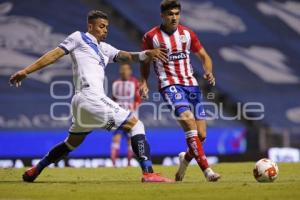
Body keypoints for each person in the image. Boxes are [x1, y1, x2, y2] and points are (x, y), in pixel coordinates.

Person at [9, 10, 172, 183]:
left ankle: (36, 169)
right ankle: (148, 173)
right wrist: (26, 71)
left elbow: (129, 56)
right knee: (136, 124)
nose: (105, 30)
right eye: (101, 26)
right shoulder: (79, 37)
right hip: (90, 97)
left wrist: (148, 53)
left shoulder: (105, 49)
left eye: (107, 27)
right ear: (90, 26)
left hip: (83, 105)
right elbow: (54, 54)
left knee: (71, 143)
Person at [140, 0, 221, 182]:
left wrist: (208, 71)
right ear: (162, 16)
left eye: (177, 13)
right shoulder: (150, 37)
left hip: (191, 85)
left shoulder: (187, 34)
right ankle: (208, 171)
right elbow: (144, 61)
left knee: (201, 135)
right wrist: (144, 81)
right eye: (170, 14)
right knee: (188, 121)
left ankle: (184, 162)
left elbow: (204, 56)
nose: (174, 17)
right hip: (169, 85)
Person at [110, 64, 141, 167]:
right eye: (122, 69)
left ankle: (128, 163)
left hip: (131, 116)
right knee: (116, 138)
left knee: (130, 140)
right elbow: (113, 99)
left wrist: (132, 110)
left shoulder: (135, 82)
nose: (124, 72)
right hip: (118, 117)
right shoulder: (116, 83)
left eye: (126, 70)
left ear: (130, 71)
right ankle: (114, 164)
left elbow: (138, 99)